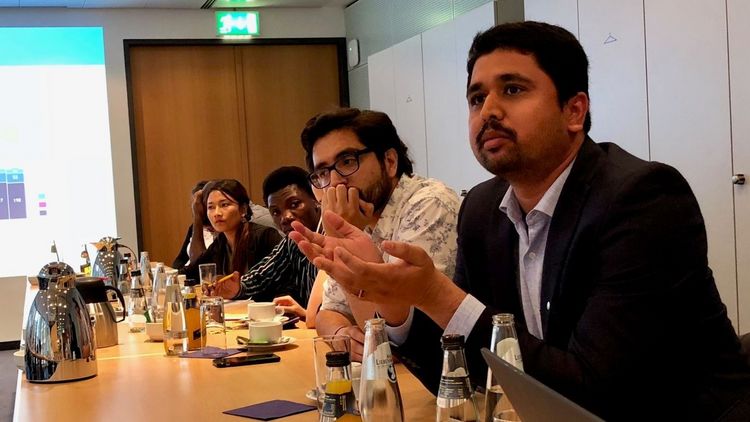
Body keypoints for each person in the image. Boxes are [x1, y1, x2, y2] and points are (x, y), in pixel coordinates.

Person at [290, 21, 750, 421]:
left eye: (512, 90)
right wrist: (396, 302)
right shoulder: (484, 209)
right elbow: (458, 375)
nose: (488, 111)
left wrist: (436, 295)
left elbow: (594, 395)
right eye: (476, 98)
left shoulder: (641, 199)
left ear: (574, 110)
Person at [298, 107, 461, 361]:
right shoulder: (360, 217)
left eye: (347, 161)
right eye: (323, 173)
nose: (335, 182)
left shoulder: (429, 204)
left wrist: (344, 240)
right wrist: (342, 335)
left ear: (390, 162)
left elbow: (397, 341)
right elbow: (326, 313)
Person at [208, 166, 324, 326]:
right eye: (276, 212)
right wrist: (238, 287)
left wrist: (307, 314)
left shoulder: (332, 239)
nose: (285, 217)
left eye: (294, 204)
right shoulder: (291, 242)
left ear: (316, 199)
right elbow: (263, 274)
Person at [182, 179, 282, 280]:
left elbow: (278, 279)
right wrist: (197, 216)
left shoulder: (265, 236)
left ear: (243, 209)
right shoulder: (221, 242)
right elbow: (194, 270)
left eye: (224, 205)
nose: (217, 213)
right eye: (211, 207)